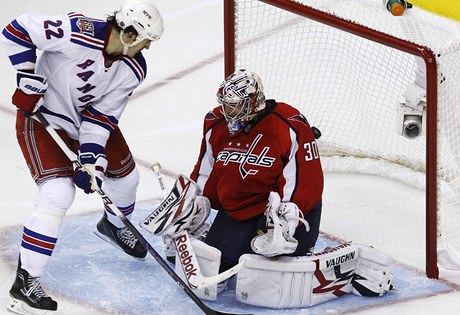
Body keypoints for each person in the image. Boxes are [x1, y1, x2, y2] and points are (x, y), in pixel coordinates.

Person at [0, 0, 163, 313]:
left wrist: (91, 160)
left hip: (82, 122)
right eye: (145, 40)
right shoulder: (77, 32)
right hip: (43, 119)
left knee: (127, 178)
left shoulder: (134, 67)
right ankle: (26, 280)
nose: (147, 48)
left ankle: (114, 225)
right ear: (129, 33)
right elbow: (16, 29)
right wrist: (26, 75)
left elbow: (101, 117)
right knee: (57, 193)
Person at [190, 69, 324, 274]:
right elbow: (206, 171)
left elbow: (307, 180)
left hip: (278, 211)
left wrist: (287, 220)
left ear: (253, 102)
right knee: (218, 266)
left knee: (267, 275)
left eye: (234, 105)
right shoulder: (215, 122)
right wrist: (195, 202)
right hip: (239, 209)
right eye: (225, 103)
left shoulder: (288, 124)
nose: (227, 110)